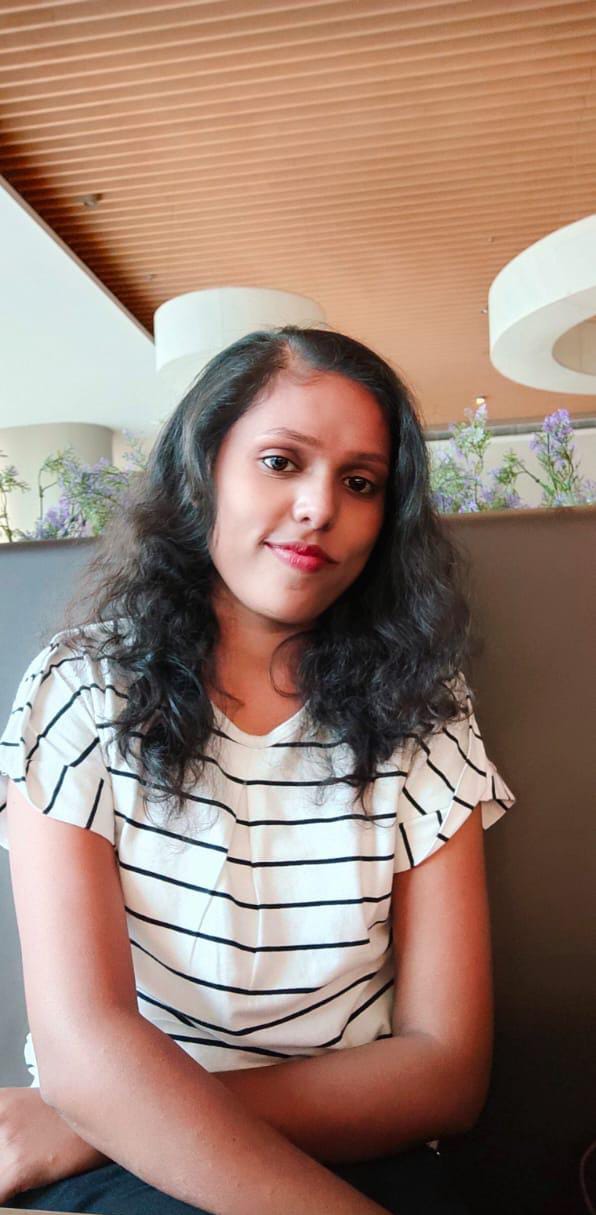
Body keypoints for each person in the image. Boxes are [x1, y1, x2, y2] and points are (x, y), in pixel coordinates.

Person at [0, 326, 516, 1215]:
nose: (319, 506)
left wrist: (94, 1119)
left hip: (353, 1143)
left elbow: (446, 1067)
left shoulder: (427, 708)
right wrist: (105, 1114)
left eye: (360, 482)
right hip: (128, 1167)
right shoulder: (79, 685)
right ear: (203, 471)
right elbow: (85, 1047)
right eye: (282, 461)